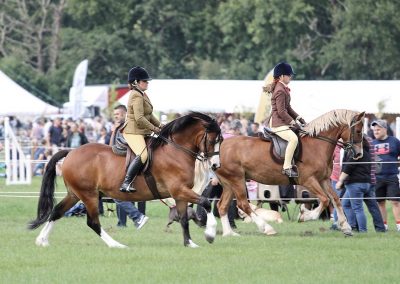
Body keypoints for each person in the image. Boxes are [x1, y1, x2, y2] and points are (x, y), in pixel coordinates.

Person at [119, 66, 162, 193]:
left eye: (147, 81)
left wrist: (161, 126)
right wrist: (154, 128)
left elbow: (149, 115)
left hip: (141, 131)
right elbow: (139, 118)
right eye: (144, 81)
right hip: (133, 131)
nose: (147, 83)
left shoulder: (142, 94)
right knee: (143, 155)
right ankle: (126, 182)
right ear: (136, 82)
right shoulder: (136, 96)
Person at [111, 104, 148, 228]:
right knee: (120, 193)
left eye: (118, 114)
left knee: (121, 193)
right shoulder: (118, 127)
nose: (116, 117)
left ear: (124, 114)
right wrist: (114, 131)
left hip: (133, 162)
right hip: (122, 163)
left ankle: (137, 217)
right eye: (115, 115)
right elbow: (112, 146)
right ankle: (123, 222)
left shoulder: (130, 126)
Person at [337, 137, 386, 233]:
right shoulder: (366, 152)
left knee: (357, 208)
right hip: (367, 183)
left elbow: (349, 167)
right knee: (346, 204)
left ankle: (362, 231)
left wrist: (340, 181)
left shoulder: (356, 152)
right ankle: (379, 228)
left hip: (355, 184)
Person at [266, 62, 305, 178]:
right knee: (293, 139)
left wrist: (299, 118)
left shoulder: (283, 89)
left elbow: (288, 108)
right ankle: (287, 167)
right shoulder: (280, 90)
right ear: (282, 76)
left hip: (282, 122)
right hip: (278, 124)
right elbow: (281, 111)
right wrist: (293, 123)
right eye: (289, 75)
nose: (290, 77)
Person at [371, 120, 400, 231]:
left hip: (392, 176)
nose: (376, 132)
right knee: (380, 202)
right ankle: (384, 226)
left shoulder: (395, 141)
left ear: (385, 129)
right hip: (377, 177)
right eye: (374, 130)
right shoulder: (372, 143)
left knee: (396, 201)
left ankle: (399, 225)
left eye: (378, 129)